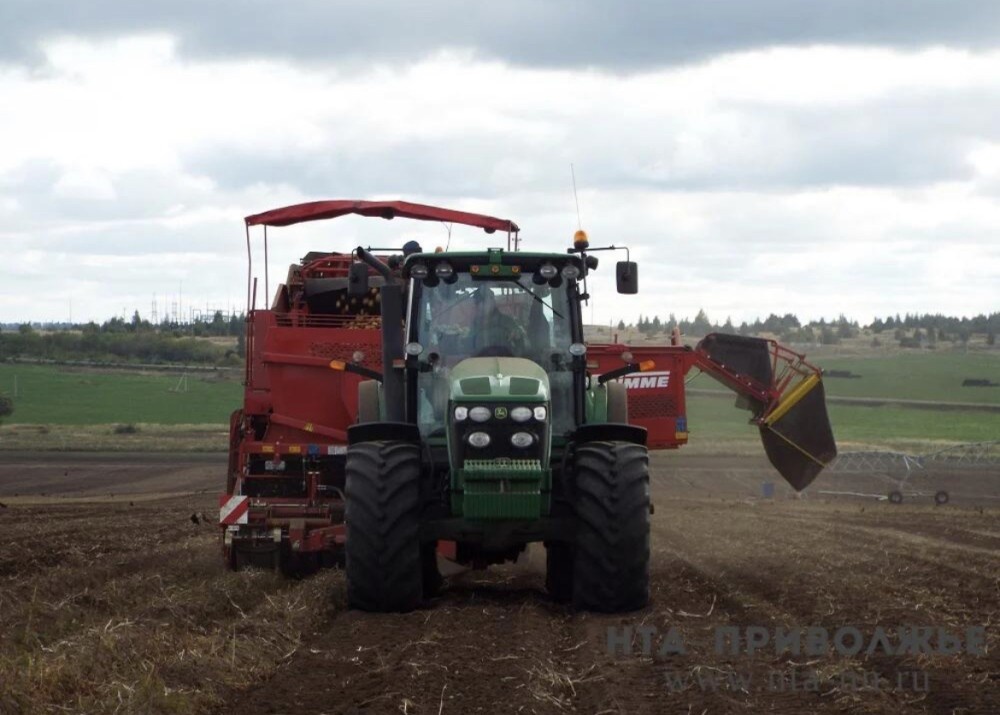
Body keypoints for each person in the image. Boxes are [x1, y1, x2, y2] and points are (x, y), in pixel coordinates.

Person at [470, 285, 527, 356]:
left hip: (506, 363)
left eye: (484, 301)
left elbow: (521, 347)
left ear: (493, 301)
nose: (480, 305)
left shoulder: (508, 322)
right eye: (478, 302)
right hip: (479, 364)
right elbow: (469, 349)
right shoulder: (475, 324)